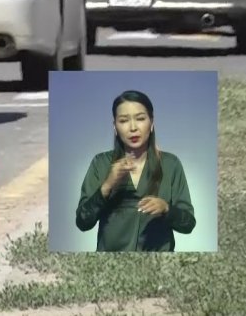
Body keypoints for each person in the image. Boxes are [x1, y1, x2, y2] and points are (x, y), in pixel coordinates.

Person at [75, 90, 196, 251]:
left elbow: (188, 224)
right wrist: (107, 185)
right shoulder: (101, 163)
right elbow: (83, 222)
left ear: (151, 123)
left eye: (140, 119)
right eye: (124, 121)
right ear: (115, 127)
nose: (133, 128)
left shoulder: (170, 164)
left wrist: (166, 208)